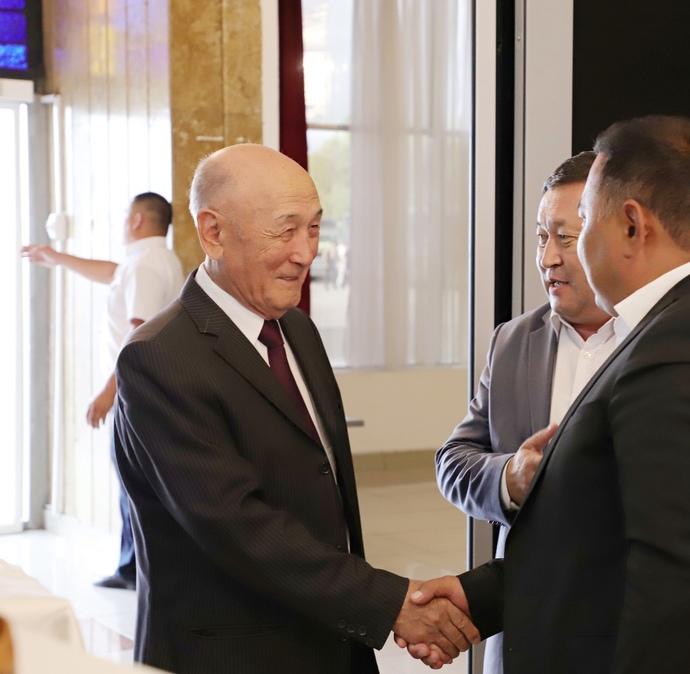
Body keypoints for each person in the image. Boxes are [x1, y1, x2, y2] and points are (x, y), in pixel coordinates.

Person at [404, 115, 690, 673]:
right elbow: (605, 538)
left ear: (631, 225)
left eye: (581, 222)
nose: (555, 254)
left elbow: (674, 584)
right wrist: (480, 598)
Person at [112, 144, 479, 673]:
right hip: (232, 656)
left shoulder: (296, 330)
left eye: (313, 228)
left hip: (329, 639)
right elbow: (237, 526)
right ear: (213, 232)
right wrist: (392, 604)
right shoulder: (160, 357)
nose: (306, 253)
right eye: (285, 231)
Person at [435, 151, 613, 674]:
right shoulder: (514, 342)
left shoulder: (658, 341)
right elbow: (453, 461)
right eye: (541, 237)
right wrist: (510, 477)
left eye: (565, 237)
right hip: (527, 635)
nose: (548, 258)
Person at [21, 192, 184, 590]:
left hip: (136, 392)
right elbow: (113, 273)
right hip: (149, 390)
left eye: (126, 215)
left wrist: (109, 390)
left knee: (135, 483)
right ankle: (136, 568)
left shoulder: (145, 265)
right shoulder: (155, 260)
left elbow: (139, 333)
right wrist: (58, 257)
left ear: (137, 220)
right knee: (139, 481)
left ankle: (135, 571)